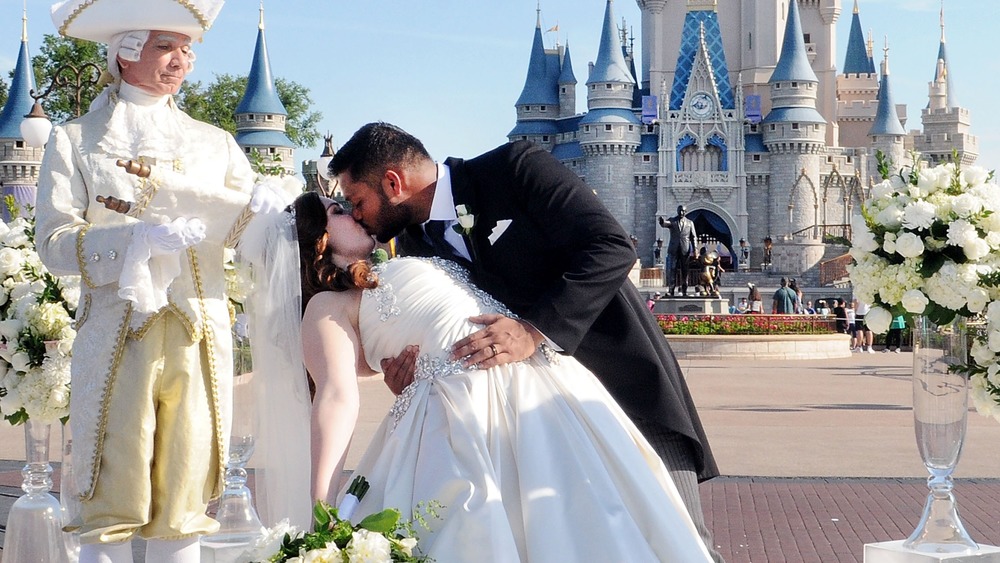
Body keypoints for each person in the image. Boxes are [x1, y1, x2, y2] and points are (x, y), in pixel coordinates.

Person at [245, 192, 714, 562]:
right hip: (463, 418)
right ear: (318, 241)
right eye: (338, 211)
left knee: (592, 520)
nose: (354, 212)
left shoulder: (402, 254)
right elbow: (336, 396)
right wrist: (324, 506)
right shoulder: (325, 309)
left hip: (546, 392)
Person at [330, 122, 722, 561]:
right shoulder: (414, 245)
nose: (355, 213)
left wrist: (534, 330)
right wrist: (412, 374)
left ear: (392, 182)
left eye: (356, 200)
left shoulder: (515, 168)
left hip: (623, 383)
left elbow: (611, 247)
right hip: (538, 426)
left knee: (679, 537)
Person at [34, 2, 286, 561]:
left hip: (198, 333)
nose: (181, 60)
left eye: (186, 49)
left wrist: (274, 207)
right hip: (116, 335)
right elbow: (52, 244)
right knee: (112, 501)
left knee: (184, 500)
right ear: (125, 53)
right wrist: (133, 242)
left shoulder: (216, 144)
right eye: (165, 47)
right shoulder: (75, 139)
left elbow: (255, 232)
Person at [658, 205, 699, 296]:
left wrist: (695, 249)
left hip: (685, 250)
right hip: (674, 249)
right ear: (677, 211)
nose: (681, 213)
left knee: (685, 271)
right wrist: (661, 221)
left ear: (685, 212)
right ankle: (671, 290)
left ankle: (684, 290)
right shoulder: (672, 220)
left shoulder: (690, 223)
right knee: (672, 269)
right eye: (680, 211)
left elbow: (694, 237)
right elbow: (665, 223)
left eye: (683, 211)